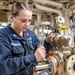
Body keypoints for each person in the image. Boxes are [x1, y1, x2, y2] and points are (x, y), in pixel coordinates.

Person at [0, 2, 54, 75]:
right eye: (23, 20)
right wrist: (32, 58)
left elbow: (40, 55)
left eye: (29, 20)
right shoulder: (3, 35)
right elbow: (3, 66)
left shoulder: (30, 34)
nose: (27, 24)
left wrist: (47, 43)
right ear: (12, 17)